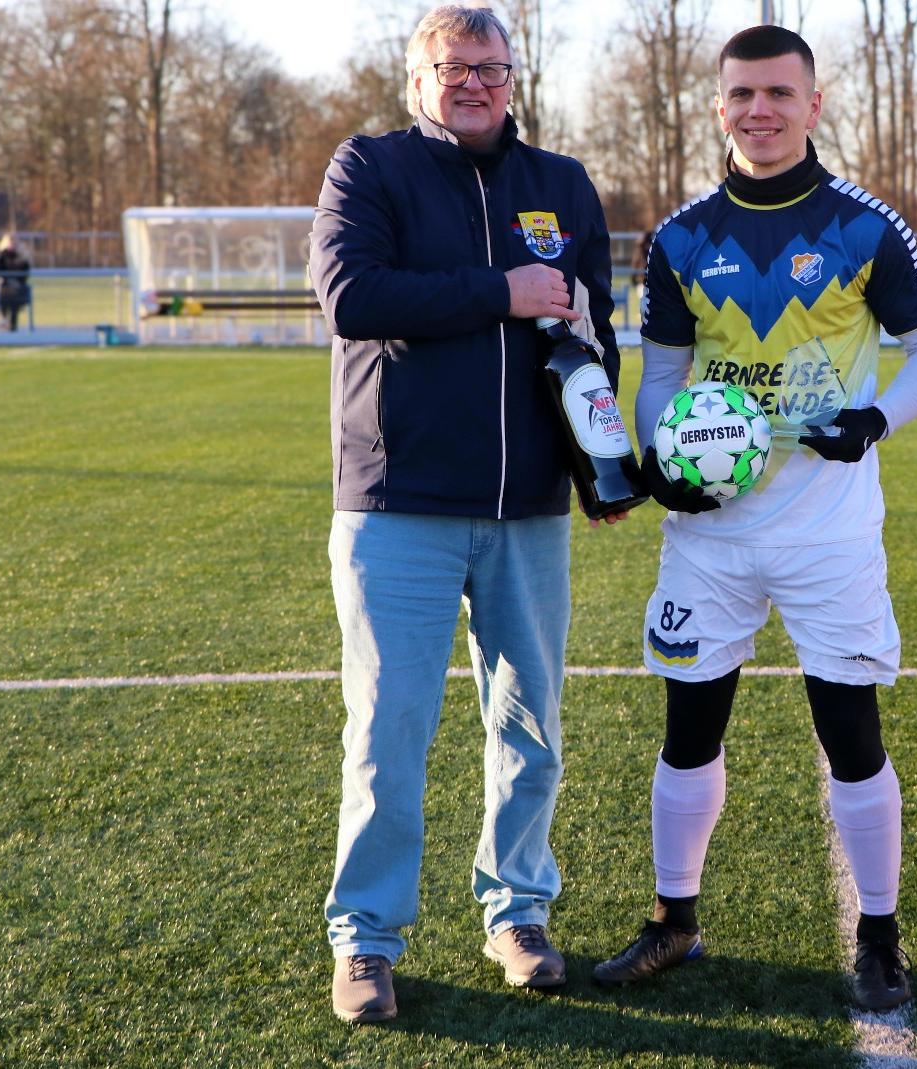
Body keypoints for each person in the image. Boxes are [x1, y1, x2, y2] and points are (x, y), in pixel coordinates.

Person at [592, 25, 917, 1014]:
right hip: (710, 535)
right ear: (719, 106)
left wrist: (876, 419)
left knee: (851, 732)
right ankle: (673, 918)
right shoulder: (679, 237)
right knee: (688, 730)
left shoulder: (865, 225)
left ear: (813, 102)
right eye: (742, 94)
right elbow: (663, 373)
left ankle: (879, 935)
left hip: (828, 531)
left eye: (779, 93)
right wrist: (663, 461)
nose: (760, 110)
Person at [308, 3, 623, 1025]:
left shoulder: (561, 183)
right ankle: (365, 938)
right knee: (388, 731)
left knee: (532, 728)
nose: (476, 82)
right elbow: (353, 296)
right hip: (397, 500)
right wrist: (502, 290)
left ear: (513, 77)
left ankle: (518, 913)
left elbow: (592, 339)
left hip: (527, 507)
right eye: (455, 67)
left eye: (492, 66)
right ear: (419, 81)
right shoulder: (370, 168)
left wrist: (598, 467)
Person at [0, 234, 32, 331]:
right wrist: (7, 280)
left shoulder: (22, 256)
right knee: (5, 292)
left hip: (18, 286)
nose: (13, 244)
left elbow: (25, 272)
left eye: (15, 241)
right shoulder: (2, 256)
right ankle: (4, 319)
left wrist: (17, 281)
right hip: (5, 285)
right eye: (10, 242)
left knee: (15, 294)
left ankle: (12, 323)